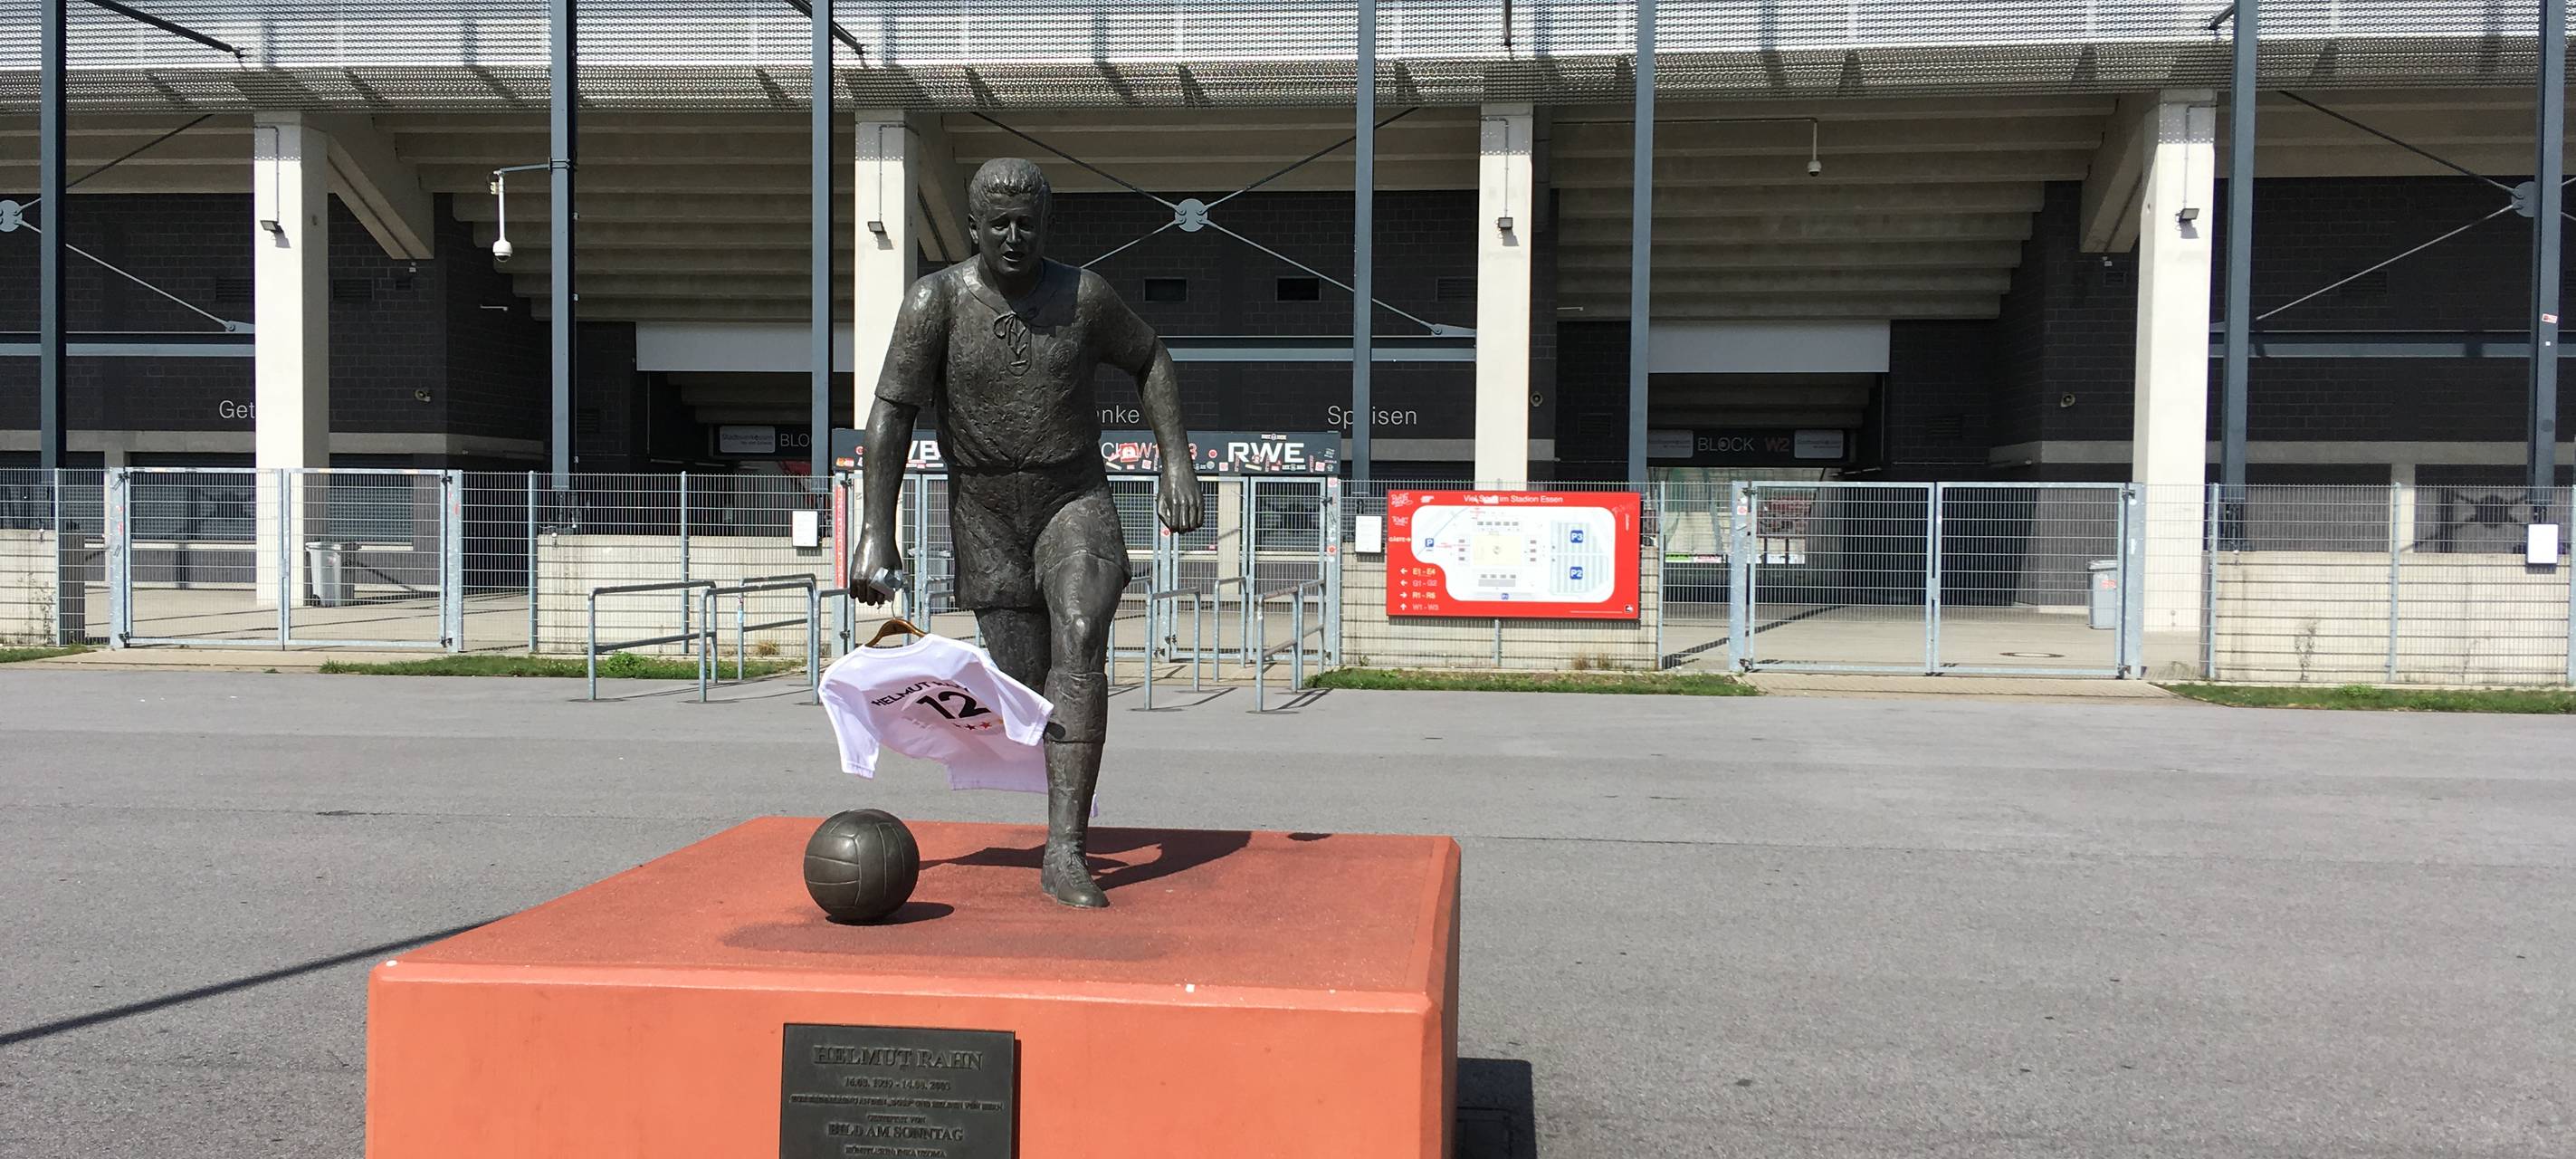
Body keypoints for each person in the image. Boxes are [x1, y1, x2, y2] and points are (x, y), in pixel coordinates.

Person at [849, 157, 1202, 908]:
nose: (1015, 237)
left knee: (1081, 636)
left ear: (1047, 227)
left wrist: (1177, 461)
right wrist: (876, 529)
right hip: (985, 514)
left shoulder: (1085, 296)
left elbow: (1150, 357)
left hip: (1072, 498)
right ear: (973, 227)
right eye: (1000, 224)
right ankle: (1060, 806)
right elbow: (892, 414)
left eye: (1028, 225)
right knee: (1030, 688)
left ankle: (1066, 851)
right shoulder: (935, 302)